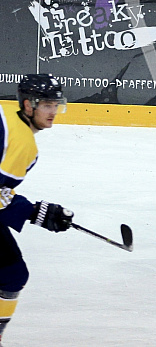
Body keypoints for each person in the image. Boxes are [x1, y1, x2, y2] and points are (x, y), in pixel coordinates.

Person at [0, 74, 75, 344]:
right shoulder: (21, 143)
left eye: (56, 105)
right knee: (11, 273)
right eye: (46, 105)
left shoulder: (6, 117)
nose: (53, 111)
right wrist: (34, 212)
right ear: (28, 105)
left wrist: (33, 212)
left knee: (12, 273)